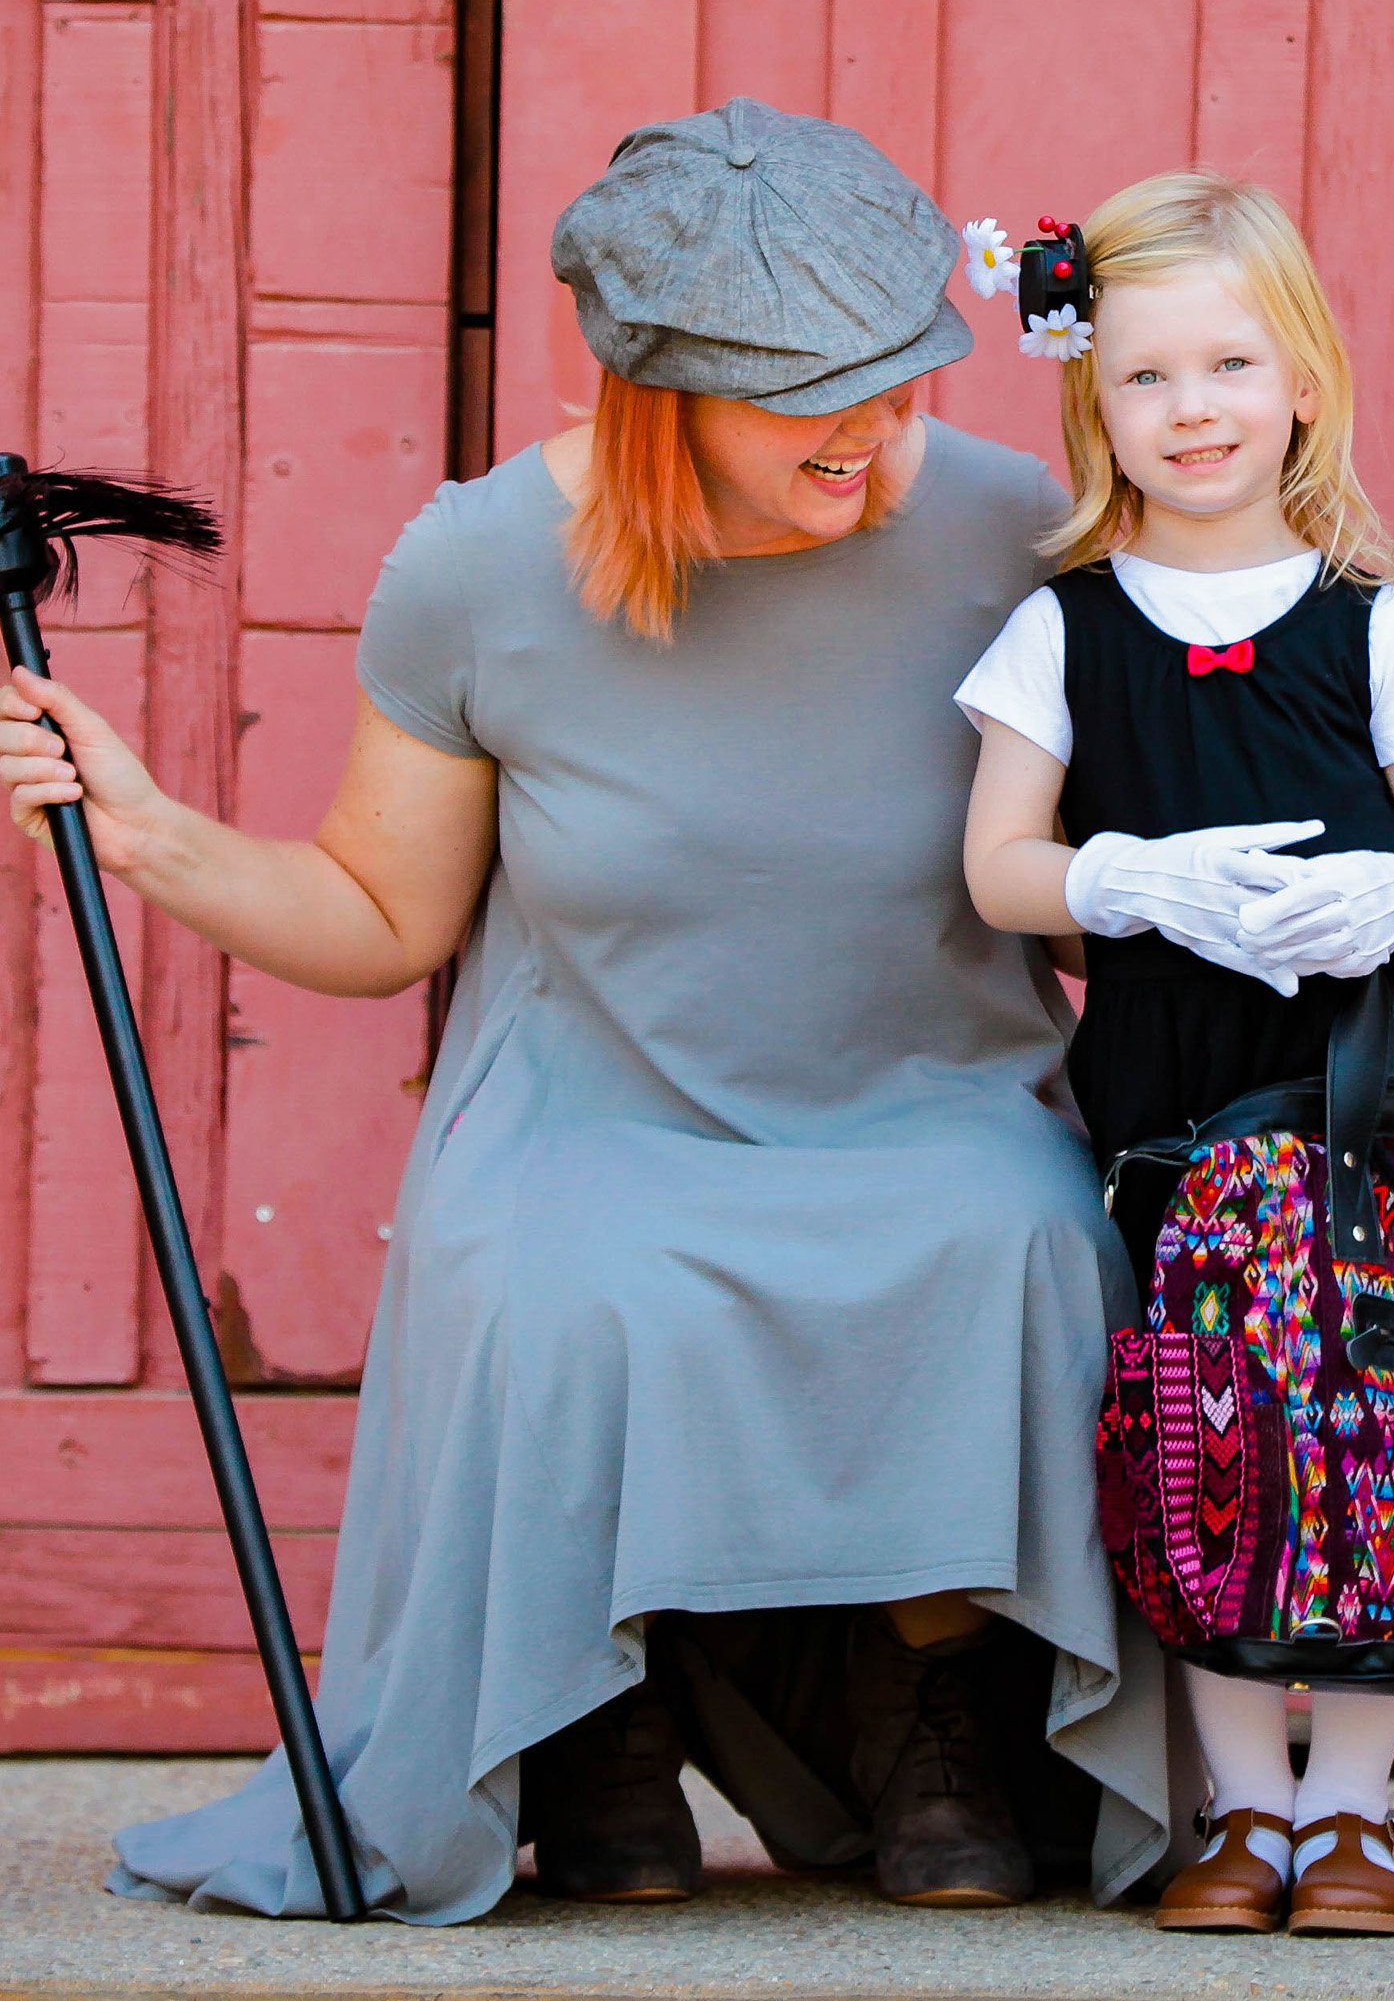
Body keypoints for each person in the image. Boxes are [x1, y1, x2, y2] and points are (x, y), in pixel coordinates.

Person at [0, 100, 1168, 1920]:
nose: (870, 431)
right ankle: (585, 1727)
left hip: (934, 1110)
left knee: (1013, 1243)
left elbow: (1116, 870)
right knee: (573, 1284)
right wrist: (145, 835)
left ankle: (934, 1713)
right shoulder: (477, 565)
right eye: (809, 394)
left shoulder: (1020, 530)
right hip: (593, 1120)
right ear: (663, 389)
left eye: (898, 378)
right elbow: (384, 916)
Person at [959, 170, 1394, 1939]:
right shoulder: (1068, 629)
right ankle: (1237, 1812)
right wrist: (1121, 882)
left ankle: (1353, 1816)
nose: (1191, 411)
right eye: (1144, 378)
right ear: (1090, 402)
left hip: (1362, 1095)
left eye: (1229, 368)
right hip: (1171, 1102)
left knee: (1374, 1422)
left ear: (1305, 380)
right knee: (1212, 1425)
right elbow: (997, 861)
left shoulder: (1369, 618)